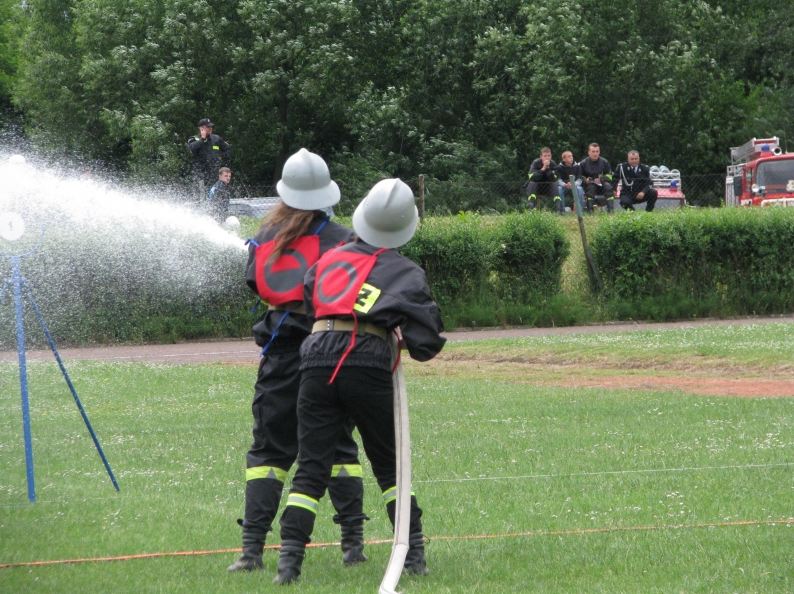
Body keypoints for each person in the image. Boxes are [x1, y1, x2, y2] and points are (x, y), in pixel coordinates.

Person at [273, 178, 446, 585]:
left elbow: (312, 299)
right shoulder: (406, 272)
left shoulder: (329, 260)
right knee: (389, 465)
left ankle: (289, 563)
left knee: (311, 466)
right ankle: (414, 552)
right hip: (366, 360)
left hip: (315, 358)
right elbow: (426, 343)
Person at [228, 148, 367, 573]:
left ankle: (251, 551)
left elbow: (256, 283)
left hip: (281, 358)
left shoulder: (266, 239)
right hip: (329, 356)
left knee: (269, 452)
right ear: (326, 193)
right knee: (340, 447)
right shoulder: (345, 239)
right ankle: (352, 545)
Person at [187, 117, 231, 193]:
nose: (210, 128)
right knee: (201, 196)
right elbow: (191, 148)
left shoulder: (216, 138)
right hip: (200, 174)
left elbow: (227, 149)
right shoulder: (194, 139)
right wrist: (202, 139)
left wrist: (221, 157)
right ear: (201, 128)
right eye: (208, 127)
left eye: (211, 126)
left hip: (214, 174)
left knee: (214, 194)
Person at [579, 143, 615, 213]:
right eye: (593, 151)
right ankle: (590, 211)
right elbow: (579, 176)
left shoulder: (604, 162)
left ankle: (611, 210)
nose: (595, 153)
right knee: (591, 188)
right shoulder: (583, 163)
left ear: (599, 152)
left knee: (608, 187)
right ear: (589, 152)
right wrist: (585, 180)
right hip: (589, 185)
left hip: (602, 184)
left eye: (597, 151)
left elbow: (610, 176)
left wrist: (602, 178)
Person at [524, 146, 561, 212]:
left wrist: (548, 168)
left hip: (548, 187)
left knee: (555, 185)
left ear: (551, 156)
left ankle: (558, 210)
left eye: (549, 156)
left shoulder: (553, 164)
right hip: (536, 187)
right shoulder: (535, 163)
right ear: (541, 156)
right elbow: (531, 177)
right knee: (532, 183)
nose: (547, 157)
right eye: (545, 156)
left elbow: (554, 179)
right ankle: (530, 208)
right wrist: (543, 169)